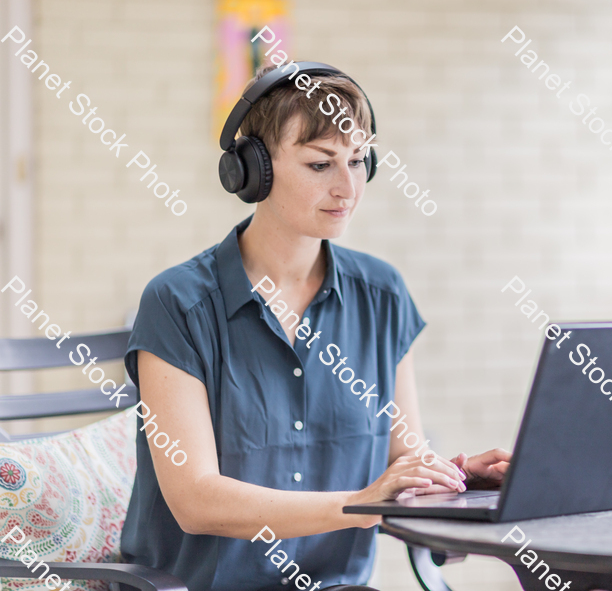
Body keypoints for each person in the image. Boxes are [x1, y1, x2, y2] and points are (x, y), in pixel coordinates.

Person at [120, 63, 511, 591]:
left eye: (356, 160)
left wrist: (453, 480)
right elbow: (197, 501)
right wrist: (361, 503)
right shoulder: (177, 303)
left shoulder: (382, 294)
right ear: (253, 169)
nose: (347, 187)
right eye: (320, 163)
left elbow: (402, 457)